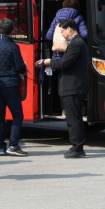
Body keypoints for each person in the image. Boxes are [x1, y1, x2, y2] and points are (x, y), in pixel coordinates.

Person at [36, 19, 89, 158]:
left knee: (73, 118)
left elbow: (67, 62)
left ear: (70, 29)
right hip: (73, 87)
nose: (62, 34)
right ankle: (77, 146)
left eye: (63, 31)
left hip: (73, 87)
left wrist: (50, 62)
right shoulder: (76, 43)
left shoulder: (76, 43)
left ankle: (77, 147)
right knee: (74, 117)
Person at [0, 18, 28, 156]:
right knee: (17, 114)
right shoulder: (13, 46)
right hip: (11, 84)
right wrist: (22, 70)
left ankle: (1, 147)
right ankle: (13, 145)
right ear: (12, 31)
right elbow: (20, 67)